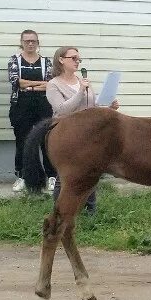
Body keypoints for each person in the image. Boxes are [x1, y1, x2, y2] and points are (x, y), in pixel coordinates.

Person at [46, 46, 119, 214]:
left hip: (86, 134)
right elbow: (62, 109)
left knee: (90, 170)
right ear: (61, 60)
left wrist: (108, 107)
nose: (77, 62)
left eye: (79, 59)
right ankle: (60, 211)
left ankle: (90, 210)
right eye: (73, 58)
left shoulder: (82, 81)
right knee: (64, 175)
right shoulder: (53, 84)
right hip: (66, 134)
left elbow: (91, 106)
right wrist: (80, 91)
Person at [8, 29, 55, 192]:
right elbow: (16, 82)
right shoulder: (15, 60)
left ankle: (51, 177)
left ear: (37, 43)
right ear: (21, 42)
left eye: (33, 41)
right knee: (23, 141)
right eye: (26, 41)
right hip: (21, 105)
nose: (30, 43)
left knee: (46, 141)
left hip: (43, 104)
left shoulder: (46, 62)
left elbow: (50, 83)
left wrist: (28, 84)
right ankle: (21, 177)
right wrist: (38, 84)